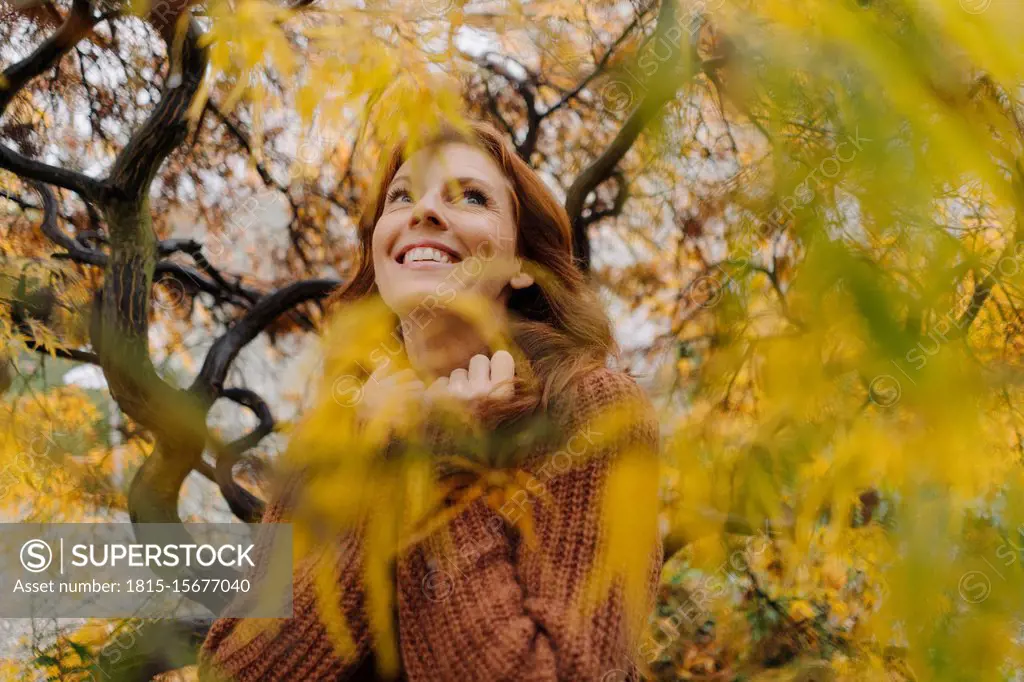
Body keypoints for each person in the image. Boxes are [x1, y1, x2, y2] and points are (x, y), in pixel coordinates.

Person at [198, 119, 663, 681]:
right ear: (380, 251)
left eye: (471, 196)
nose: (424, 211)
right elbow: (231, 669)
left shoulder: (590, 408)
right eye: (402, 197)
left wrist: (440, 470)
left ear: (522, 266)